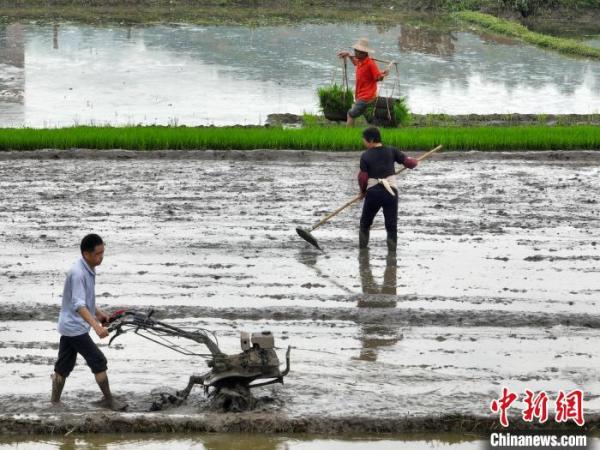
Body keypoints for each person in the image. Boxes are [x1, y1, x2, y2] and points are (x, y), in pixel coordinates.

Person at [51, 233, 126, 411]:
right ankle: (109, 400)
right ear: (86, 254)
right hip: (75, 327)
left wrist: (101, 315)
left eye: (103, 253)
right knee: (98, 361)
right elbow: (78, 305)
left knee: (63, 366)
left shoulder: (87, 268)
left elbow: (86, 301)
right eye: (98, 254)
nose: (101, 257)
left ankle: (54, 403)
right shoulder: (78, 273)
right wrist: (97, 327)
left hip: (70, 325)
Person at [357, 127, 418, 252]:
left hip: (373, 194)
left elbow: (363, 178)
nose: (363, 142)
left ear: (372, 140)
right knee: (391, 225)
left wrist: (362, 192)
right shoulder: (392, 150)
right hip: (391, 193)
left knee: (365, 223)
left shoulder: (365, 156)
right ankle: (392, 254)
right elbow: (409, 163)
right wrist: (415, 161)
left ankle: (362, 251)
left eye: (364, 140)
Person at [337, 37, 389, 127]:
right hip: (360, 95)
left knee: (351, 114)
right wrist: (349, 55)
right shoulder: (360, 62)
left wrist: (383, 75)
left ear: (364, 53)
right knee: (356, 112)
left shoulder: (370, 64)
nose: (355, 53)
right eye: (355, 50)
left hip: (366, 97)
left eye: (357, 51)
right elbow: (355, 63)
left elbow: (377, 77)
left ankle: (348, 135)